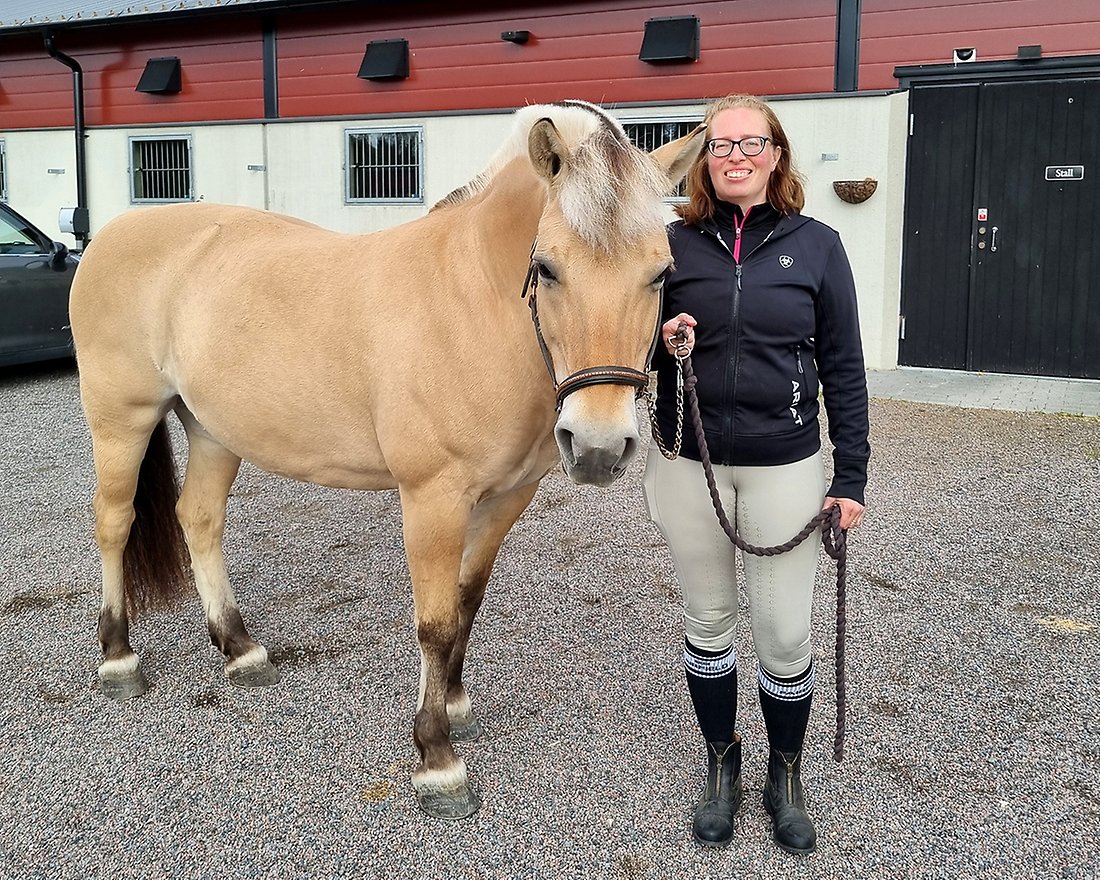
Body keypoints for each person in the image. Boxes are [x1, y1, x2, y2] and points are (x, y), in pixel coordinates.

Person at [643, 94, 870, 853]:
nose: (734, 155)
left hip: (786, 465)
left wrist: (851, 479)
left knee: (782, 634)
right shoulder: (670, 246)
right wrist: (659, 335)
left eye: (751, 142)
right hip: (689, 463)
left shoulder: (819, 246)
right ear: (706, 161)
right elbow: (622, 340)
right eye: (720, 145)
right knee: (707, 624)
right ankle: (721, 765)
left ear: (777, 154)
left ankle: (786, 772)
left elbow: (843, 367)